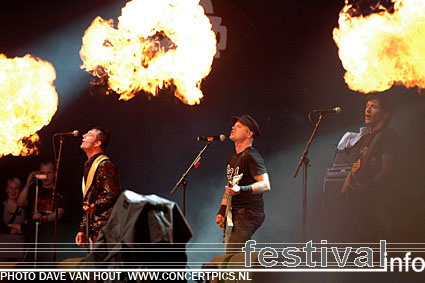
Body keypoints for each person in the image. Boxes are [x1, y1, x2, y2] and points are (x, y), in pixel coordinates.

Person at [340, 93, 399, 241]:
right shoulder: (364, 139)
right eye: (367, 106)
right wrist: (343, 192)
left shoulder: (388, 136)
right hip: (357, 204)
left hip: (375, 204)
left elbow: (388, 170)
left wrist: (367, 188)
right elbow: (355, 167)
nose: (368, 110)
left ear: (385, 114)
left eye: (374, 107)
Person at [216, 115, 270, 253]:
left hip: (249, 214)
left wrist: (241, 189)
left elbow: (265, 185)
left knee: (232, 251)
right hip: (234, 214)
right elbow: (229, 186)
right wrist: (222, 212)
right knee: (234, 253)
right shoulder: (232, 159)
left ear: (249, 133)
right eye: (234, 125)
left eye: (239, 126)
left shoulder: (252, 156)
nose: (233, 127)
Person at [75, 127, 121, 248]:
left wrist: (95, 207)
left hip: (105, 230)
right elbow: (89, 200)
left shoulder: (104, 165)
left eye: (89, 134)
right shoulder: (89, 165)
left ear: (97, 143)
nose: (83, 135)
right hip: (95, 229)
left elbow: (113, 194)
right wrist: (82, 228)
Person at [18, 160, 65, 262]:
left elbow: (59, 213)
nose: (46, 176)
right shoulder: (35, 189)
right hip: (32, 237)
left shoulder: (60, 191)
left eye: (49, 173)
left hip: (50, 237)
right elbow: (20, 203)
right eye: (43, 173)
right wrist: (27, 184)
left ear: (54, 173)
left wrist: (42, 218)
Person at [0, 178, 28, 261]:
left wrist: (11, 226)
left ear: (20, 190)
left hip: (19, 251)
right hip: (2, 251)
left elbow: (29, 227)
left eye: (16, 188)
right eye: (11, 188)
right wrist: (18, 230)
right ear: (7, 189)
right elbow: (0, 226)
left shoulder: (24, 207)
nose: (13, 191)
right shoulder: (1, 206)